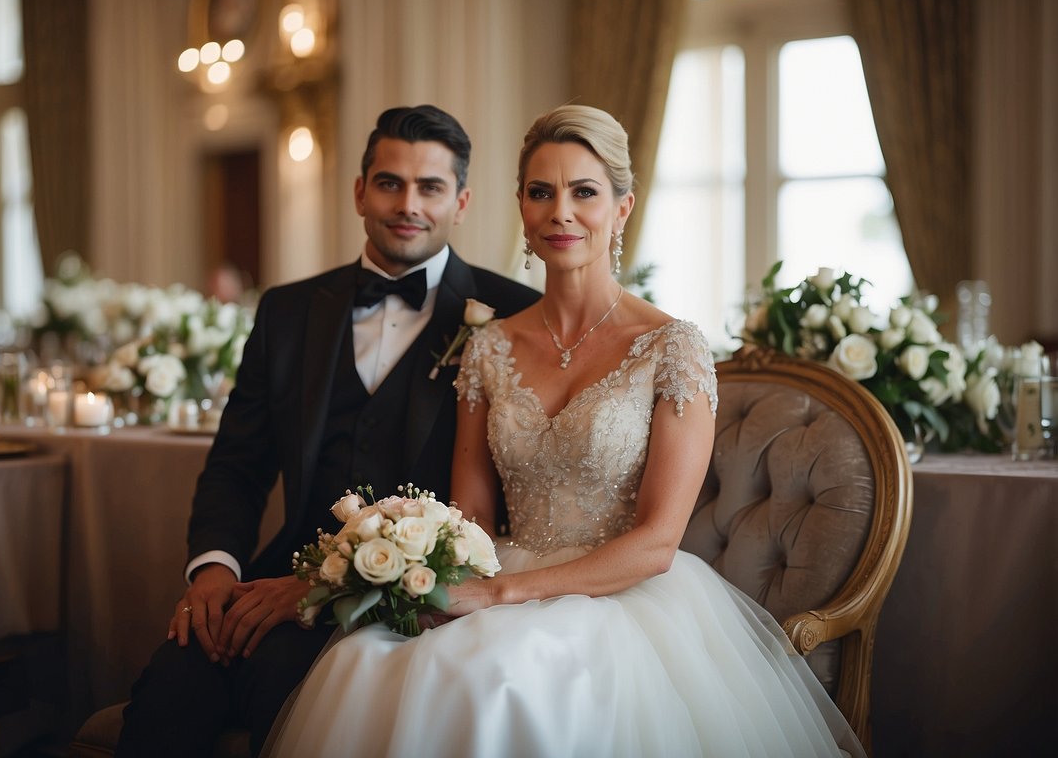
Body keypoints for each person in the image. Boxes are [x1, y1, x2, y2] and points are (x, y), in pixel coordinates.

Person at [263, 106, 866, 757]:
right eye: (541, 192)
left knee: (504, 682)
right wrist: (438, 576)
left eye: (583, 192)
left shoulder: (672, 346)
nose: (560, 212)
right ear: (519, 206)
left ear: (622, 207)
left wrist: (500, 593)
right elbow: (470, 517)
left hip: (622, 594)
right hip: (500, 567)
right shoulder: (488, 346)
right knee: (366, 660)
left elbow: (658, 542)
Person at [115, 105, 540, 756]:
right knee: (165, 695)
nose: (408, 204)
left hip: (414, 605)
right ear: (358, 191)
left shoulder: (511, 315)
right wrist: (212, 572)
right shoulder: (286, 311)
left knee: (282, 701)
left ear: (460, 200)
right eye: (389, 182)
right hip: (271, 578)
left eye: (429, 187)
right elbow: (237, 464)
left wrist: (329, 588)